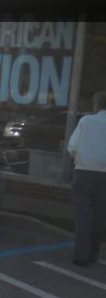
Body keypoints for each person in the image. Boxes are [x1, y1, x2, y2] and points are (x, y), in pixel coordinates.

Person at [67, 91, 106, 266]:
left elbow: (72, 146)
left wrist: (77, 159)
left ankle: (81, 254)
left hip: (84, 172)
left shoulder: (86, 122)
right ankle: (93, 253)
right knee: (100, 216)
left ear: (96, 105)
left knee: (84, 216)